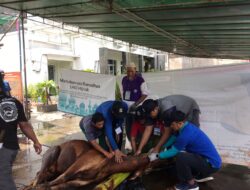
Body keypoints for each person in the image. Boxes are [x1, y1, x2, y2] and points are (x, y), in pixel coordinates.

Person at [148, 110, 221, 190]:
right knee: (180, 160)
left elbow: (173, 151)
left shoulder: (186, 134)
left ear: (180, 123)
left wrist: (157, 156)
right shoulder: (185, 126)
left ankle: (191, 184)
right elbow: (173, 138)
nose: (171, 127)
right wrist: (162, 147)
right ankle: (198, 174)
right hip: (206, 159)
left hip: (211, 164)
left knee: (181, 156)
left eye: (172, 124)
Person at [0, 73, 42, 190]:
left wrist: (36, 141)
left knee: (3, 180)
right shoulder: (14, 102)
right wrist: (36, 141)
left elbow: (24, 125)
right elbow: (24, 125)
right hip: (10, 147)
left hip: (4, 148)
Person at [136, 95, 200, 155]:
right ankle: (172, 153)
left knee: (191, 133)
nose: (149, 116)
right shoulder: (150, 110)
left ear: (156, 109)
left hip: (190, 108)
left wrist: (157, 148)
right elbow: (147, 130)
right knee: (175, 134)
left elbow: (167, 132)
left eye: (149, 114)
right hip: (176, 111)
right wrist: (139, 149)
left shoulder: (167, 110)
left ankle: (193, 155)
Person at [122, 63, 149, 140]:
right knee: (128, 127)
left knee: (136, 126)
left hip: (136, 107)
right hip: (126, 107)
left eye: (132, 71)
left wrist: (135, 104)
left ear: (135, 70)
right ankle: (131, 144)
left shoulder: (140, 80)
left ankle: (138, 144)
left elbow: (145, 94)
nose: (130, 73)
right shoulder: (124, 79)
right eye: (128, 71)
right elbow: (122, 92)